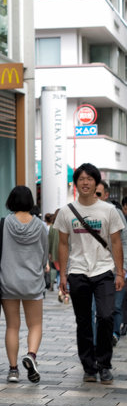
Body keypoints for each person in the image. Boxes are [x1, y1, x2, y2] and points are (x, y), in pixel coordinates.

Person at [54, 163, 124, 384]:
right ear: (76, 183)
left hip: (104, 271)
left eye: (89, 179)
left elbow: (116, 242)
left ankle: (104, 364)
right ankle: (89, 366)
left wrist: (120, 273)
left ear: (96, 183)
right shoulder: (66, 212)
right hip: (77, 271)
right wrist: (62, 275)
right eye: (81, 179)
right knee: (83, 320)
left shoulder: (109, 210)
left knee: (105, 316)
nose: (85, 182)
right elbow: (63, 244)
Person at [0, 186, 48, 384]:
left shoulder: (3, 223)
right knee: (35, 324)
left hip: (9, 282)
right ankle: (31, 355)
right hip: (33, 281)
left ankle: (13, 370)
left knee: (12, 327)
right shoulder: (40, 225)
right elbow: (44, 254)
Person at [96, 179, 127, 345]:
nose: (96, 196)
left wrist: (123, 269)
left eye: (99, 194)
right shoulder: (84, 211)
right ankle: (97, 342)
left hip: (115, 269)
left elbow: (123, 241)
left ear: (107, 195)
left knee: (115, 305)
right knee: (97, 310)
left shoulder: (115, 213)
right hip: (92, 271)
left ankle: (114, 333)